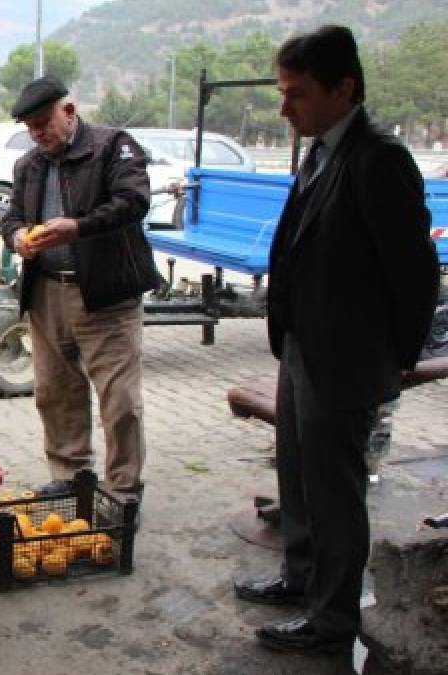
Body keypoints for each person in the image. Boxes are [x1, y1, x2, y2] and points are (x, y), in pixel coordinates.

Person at [233, 25, 439, 655]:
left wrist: (398, 359)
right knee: (296, 472)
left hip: (347, 358)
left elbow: (414, 272)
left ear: (344, 88)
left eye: (296, 94)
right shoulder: (323, 148)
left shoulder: (379, 158)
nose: (283, 108)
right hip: (301, 344)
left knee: (334, 492)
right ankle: (300, 578)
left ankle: (332, 619)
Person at [0, 76, 158, 500]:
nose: (37, 134)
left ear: (68, 112)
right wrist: (16, 236)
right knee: (55, 391)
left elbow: (133, 202)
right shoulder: (28, 165)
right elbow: (11, 216)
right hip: (47, 292)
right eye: (30, 127)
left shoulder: (112, 146)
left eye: (43, 122)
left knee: (119, 398)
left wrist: (79, 228)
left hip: (105, 293)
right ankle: (71, 474)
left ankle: (124, 488)